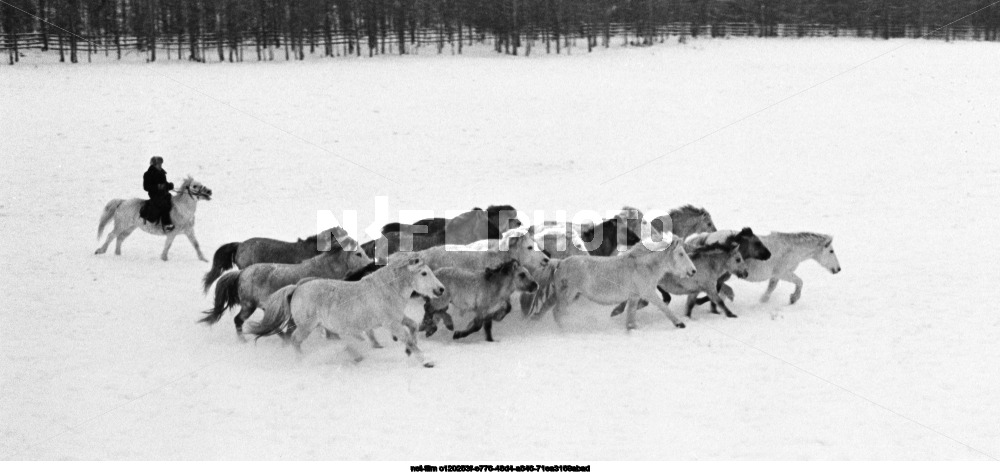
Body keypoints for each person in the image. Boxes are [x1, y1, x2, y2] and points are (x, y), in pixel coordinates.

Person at [142, 156, 175, 232]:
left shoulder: (162, 173)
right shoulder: (147, 174)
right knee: (164, 205)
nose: (160, 165)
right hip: (155, 195)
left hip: (164, 194)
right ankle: (166, 225)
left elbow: (164, 184)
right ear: (153, 165)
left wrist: (169, 185)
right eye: (159, 164)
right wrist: (157, 187)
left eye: (161, 164)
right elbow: (146, 187)